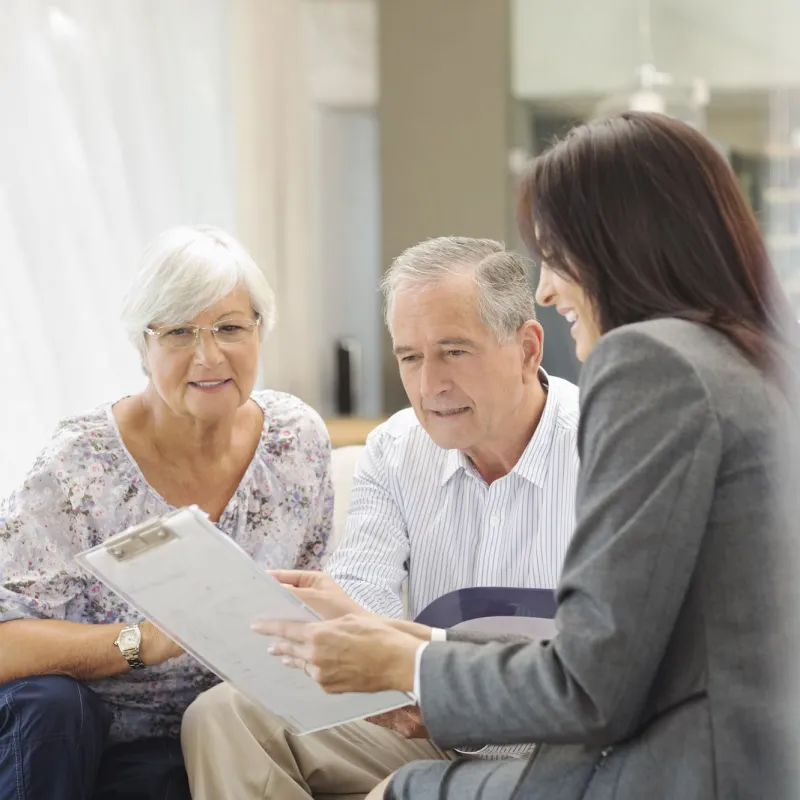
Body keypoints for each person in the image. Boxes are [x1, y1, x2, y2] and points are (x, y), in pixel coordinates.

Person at [255, 111, 800, 800]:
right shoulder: (752, 363)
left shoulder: (652, 367)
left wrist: (414, 663)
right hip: (726, 760)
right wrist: (416, 654)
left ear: (618, 245)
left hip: (675, 772)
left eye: (555, 252)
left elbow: (592, 684)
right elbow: (630, 651)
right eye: (412, 358)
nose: (544, 288)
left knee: (398, 791)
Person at [180, 237, 581, 799]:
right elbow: (364, 597)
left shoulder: (607, 447)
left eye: (454, 351)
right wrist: (346, 630)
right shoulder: (395, 449)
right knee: (226, 714)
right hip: (436, 726)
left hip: (564, 741)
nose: (428, 386)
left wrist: (418, 668)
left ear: (528, 349)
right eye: (410, 357)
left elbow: (602, 664)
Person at [0, 225, 333, 799]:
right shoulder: (79, 463)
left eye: (230, 327)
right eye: (179, 332)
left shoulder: (295, 442)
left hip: (213, 728)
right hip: (77, 724)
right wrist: (143, 641)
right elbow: (7, 642)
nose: (208, 355)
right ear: (143, 345)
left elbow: (314, 602)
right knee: (53, 711)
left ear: (260, 332)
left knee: (174, 769)